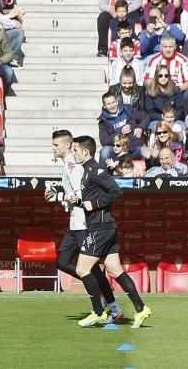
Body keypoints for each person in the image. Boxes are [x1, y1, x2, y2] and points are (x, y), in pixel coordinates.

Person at [71, 136, 152, 329]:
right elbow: (93, 199)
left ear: (85, 151)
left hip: (101, 228)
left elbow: (116, 192)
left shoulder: (96, 170)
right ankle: (141, 309)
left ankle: (98, 312)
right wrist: (80, 202)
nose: (73, 153)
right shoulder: (87, 170)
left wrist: (95, 204)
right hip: (103, 226)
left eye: (75, 150)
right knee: (115, 270)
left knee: (82, 269)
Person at [49, 131, 124, 321]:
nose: (53, 148)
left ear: (67, 146)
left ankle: (107, 308)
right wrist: (60, 196)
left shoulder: (73, 166)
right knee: (63, 262)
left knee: (91, 270)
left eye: (56, 145)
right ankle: (105, 301)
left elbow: (80, 195)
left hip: (84, 223)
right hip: (75, 223)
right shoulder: (68, 165)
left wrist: (59, 196)